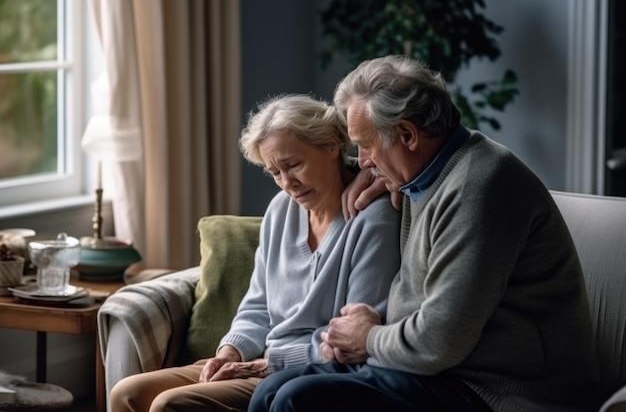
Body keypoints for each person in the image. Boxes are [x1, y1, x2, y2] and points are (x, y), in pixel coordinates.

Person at [248, 55, 601, 412]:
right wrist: (382, 175)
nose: (363, 161)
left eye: (366, 146)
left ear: (407, 134)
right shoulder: (421, 177)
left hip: (500, 391)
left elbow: (438, 342)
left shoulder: (478, 187)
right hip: (441, 374)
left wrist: (368, 337)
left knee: (297, 400)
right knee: (272, 390)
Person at [107, 93, 401, 412]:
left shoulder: (374, 218)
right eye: (275, 172)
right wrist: (230, 351)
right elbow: (258, 303)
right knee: (127, 393)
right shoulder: (280, 211)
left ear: (331, 144)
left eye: (293, 165)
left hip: (309, 372)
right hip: (260, 358)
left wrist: (265, 363)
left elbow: (356, 338)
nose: (287, 183)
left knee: (170, 404)